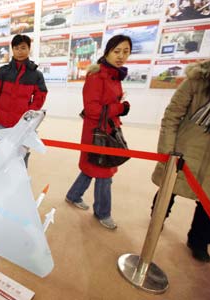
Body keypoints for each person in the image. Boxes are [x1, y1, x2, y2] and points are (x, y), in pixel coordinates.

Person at [65, 35, 132, 230]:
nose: (121, 56)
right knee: (104, 172)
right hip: (97, 132)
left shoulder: (114, 74)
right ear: (107, 52)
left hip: (107, 129)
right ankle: (103, 212)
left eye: (125, 51)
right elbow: (93, 109)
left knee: (92, 165)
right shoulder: (97, 75)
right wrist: (120, 108)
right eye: (116, 51)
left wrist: (117, 107)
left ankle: (73, 195)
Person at [151, 58, 210, 263]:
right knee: (169, 188)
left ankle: (200, 241)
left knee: (209, 199)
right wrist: (168, 151)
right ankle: (157, 218)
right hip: (186, 150)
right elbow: (172, 115)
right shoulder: (198, 80)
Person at [0, 34, 48, 168]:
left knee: (22, 157)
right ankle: (2, 181)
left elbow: (41, 94)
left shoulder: (36, 74)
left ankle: (20, 183)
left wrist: (29, 112)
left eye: (23, 48)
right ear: (12, 50)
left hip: (23, 124)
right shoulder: (3, 72)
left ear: (29, 49)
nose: (19, 51)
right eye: (16, 48)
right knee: (2, 153)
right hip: (3, 122)